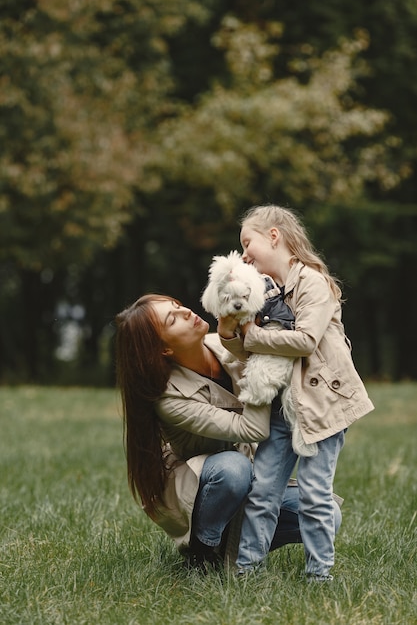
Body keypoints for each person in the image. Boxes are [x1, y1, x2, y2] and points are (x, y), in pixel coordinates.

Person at [114, 293, 342, 572]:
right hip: (210, 485)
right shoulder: (169, 398)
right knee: (232, 470)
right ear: (164, 350)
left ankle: (233, 546)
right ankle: (203, 550)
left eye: (177, 305)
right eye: (173, 319)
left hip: (250, 476)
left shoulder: (221, 343)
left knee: (329, 517)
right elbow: (253, 428)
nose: (185, 311)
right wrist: (261, 365)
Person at [217, 205, 374, 581]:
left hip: (320, 407)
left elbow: (304, 341)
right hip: (282, 409)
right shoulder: (264, 290)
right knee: (263, 492)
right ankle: (248, 571)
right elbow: (252, 349)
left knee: (315, 495)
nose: (243, 255)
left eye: (247, 242)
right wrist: (228, 333)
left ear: (274, 236)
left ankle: (320, 575)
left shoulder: (313, 283)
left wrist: (250, 335)